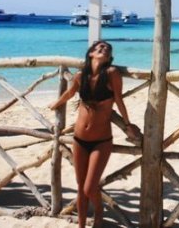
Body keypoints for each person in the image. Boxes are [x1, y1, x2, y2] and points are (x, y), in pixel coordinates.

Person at [49, 40, 140, 228]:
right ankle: (82, 225)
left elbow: (118, 100)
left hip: (101, 141)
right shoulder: (80, 75)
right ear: (91, 53)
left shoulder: (112, 73)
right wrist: (56, 103)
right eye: (100, 47)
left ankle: (99, 211)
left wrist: (127, 125)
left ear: (110, 57)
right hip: (79, 140)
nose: (104, 49)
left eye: (107, 49)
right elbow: (70, 93)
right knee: (80, 187)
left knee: (90, 187)